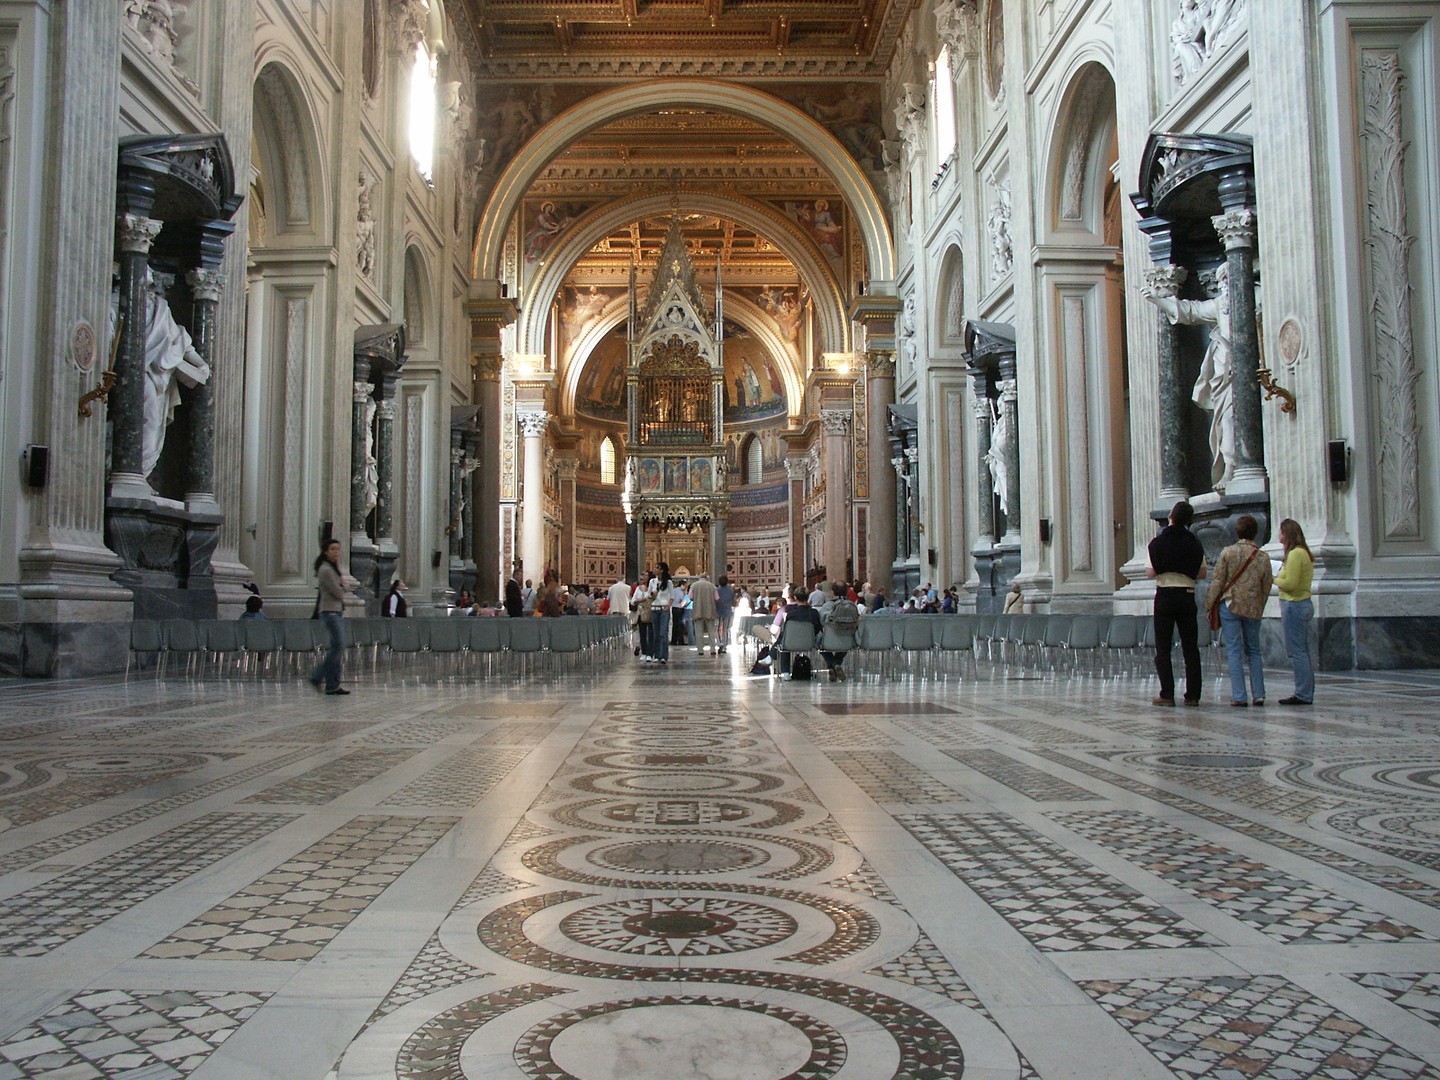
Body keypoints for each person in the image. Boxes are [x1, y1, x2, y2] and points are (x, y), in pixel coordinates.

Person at [1206, 514, 1273, 706]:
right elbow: (1267, 584)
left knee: (1234, 650)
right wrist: (1260, 603)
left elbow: (1218, 581)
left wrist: (1210, 604)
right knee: (1254, 650)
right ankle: (1259, 694)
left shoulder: (1228, 553)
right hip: (1253, 606)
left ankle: (1239, 695)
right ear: (1256, 532)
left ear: (1237, 532)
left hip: (1231, 604)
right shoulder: (1262, 556)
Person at [1147, 500, 1207, 706]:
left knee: (1163, 647)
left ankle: (1167, 693)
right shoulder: (1194, 543)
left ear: (1171, 517)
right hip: (1187, 595)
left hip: (1164, 595)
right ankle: (1193, 695)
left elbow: (1150, 571)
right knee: (1190, 647)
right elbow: (1202, 572)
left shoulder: (1157, 543)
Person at [1275, 517, 1315, 705]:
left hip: (1295, 604)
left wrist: (1272, 579)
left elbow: (1290, 584)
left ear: (1287, 533)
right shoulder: (1300, 553)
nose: (1278, 534)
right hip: (1300, 603)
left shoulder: (1295, 554)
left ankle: (1303, 693)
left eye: (1281, 531)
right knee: (1301, 650)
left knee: (1298, 651)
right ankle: (1304, 691)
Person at [309, 539, 350, 695]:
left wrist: (342, 585)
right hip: (330, 611)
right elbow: (338, 591)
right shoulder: (325, 569)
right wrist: (343, 585)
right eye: (333, 549)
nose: (336, 552)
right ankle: (317, 676)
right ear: (326, 551)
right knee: (338, 646)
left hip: (336, 611)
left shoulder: (333, 568)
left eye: (338, 549)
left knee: (337, 647)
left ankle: (333, 685)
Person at [819, 582, 860, 681]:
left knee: (818, 643)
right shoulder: (851, 606)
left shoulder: (826, 606)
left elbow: (821, 621)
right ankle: (836, 664)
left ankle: (833, 664)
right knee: (847, 641)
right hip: (847, 641)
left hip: (828, 641)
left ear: (832, 592)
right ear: (847, 592)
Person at [648, 563, 674, 664]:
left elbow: (671, 596)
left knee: (663, 633)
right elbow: (648, 594)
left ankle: (664, 656)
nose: (655, 569)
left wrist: (668, 606)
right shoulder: (652, 581)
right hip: (655, 608)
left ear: (662, 570)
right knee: (656, 633)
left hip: (664, 609)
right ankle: (657, 655)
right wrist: (651, 595)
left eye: (657, 568)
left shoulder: (668, 582)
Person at [715, 574, 735, 655]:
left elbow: (715, 601)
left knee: (717, 628)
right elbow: (733, 602)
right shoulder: (731, 590)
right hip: (728, 612)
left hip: (718, 611)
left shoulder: (716, 590)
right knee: (726, 630)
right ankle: (724, 647)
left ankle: (720, 643)